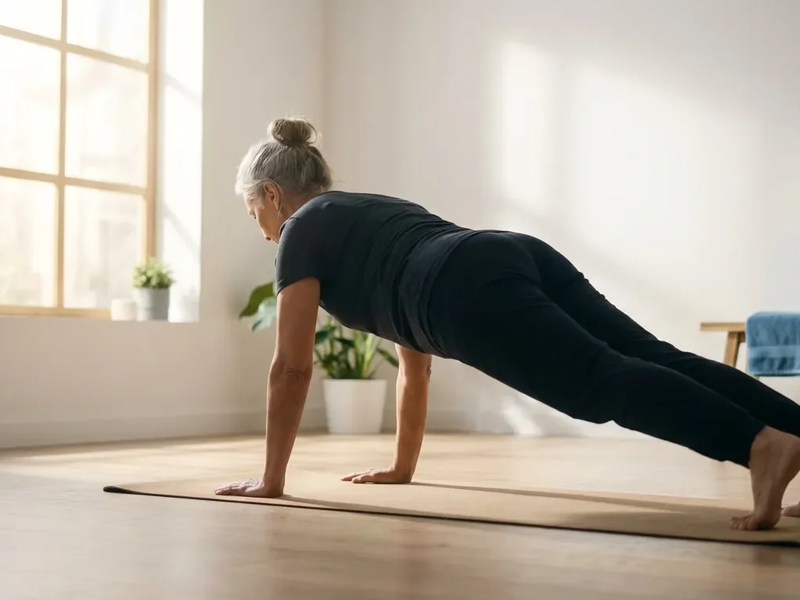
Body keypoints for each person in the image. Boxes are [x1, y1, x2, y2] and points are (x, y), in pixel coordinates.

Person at [214, 116, 800, 532]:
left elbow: (291, 364)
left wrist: (271, 480)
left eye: (254, 212)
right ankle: (789, 436)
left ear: (272, 193)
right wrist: (403, 467)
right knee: (654, 355)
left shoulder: (299, 231)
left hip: (463, 289)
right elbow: (413, 364)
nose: (261, 228)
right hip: (506, 249)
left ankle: (758, 446)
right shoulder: (368, 210)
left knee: (597, 380)